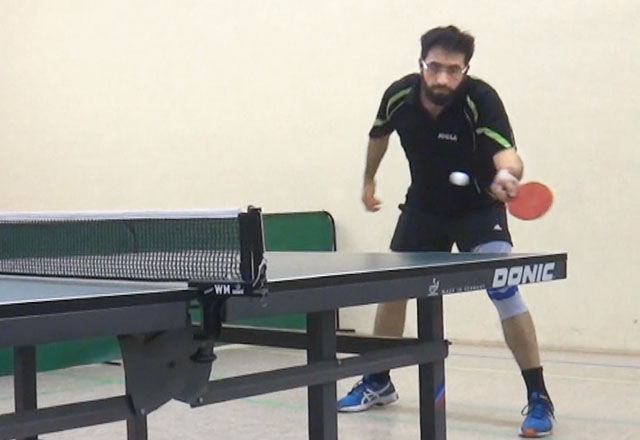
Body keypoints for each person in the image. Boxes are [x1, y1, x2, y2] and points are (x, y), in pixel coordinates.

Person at [337, 26, 555, 438]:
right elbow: (378, 134)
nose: (442, 78)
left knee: (504, 289)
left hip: (478, 206)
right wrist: (368, 180)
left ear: (465, 70)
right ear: (421, 63)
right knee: (393, 289)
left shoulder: (480, 98)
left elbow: (508, 154)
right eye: (434, 67)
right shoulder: (399, 95)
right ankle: (378, 381)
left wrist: (507, 175)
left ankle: (539, 396)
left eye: (453, 70)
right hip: (424, 207)